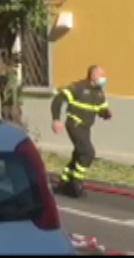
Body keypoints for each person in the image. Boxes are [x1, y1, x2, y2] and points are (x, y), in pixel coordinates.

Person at [50, 64, 112, 198]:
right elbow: (58, 100)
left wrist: (106, 114)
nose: (104, 78)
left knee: (79, 154)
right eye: (101, 75)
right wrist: (56, 119)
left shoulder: (99, 92)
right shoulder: (78, 88)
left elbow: (101, 109)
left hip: (86, 127)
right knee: (88, 152)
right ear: (93, 76)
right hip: (75, 124)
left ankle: (65, 180)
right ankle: (76, 181)